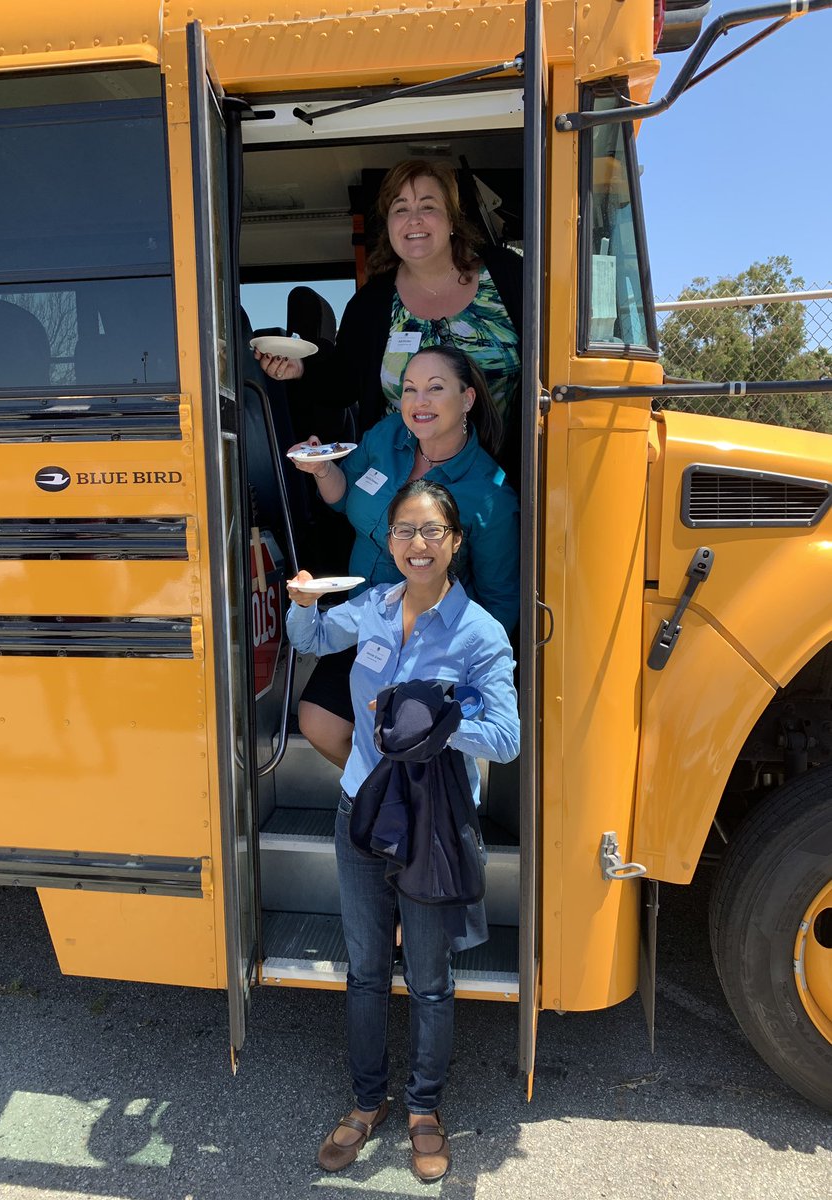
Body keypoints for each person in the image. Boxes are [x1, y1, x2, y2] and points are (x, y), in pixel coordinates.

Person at [286, 479, 521, 1183]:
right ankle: (366, 1104)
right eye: (403, 533)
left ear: (454, 543)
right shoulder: (376, 607)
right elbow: (315, 637)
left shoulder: (479, 631)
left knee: (428, 980)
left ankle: (423, 1109)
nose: (416, 545)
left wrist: (440, 728)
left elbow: (505, 737)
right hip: (359, 808)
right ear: (388, 543)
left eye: (430, 533)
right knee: (363, 971)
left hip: (431, 826)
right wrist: (302, 606)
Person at [289, 344, 519, 768]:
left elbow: (500, 602)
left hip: (432, 637)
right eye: (410, 389)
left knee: (408, 726)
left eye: (435, 388)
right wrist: (323, 470)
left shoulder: (491, 497)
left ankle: (413, 798)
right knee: (319, 722)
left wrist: (456, 663)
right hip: (367, 615)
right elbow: (344, 501)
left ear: (467, 399)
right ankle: (384, 790)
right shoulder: (387, 435)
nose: (419, 402)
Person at [254, 158, 523, 441]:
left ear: (452, 219)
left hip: (505, 476)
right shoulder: (371, 303)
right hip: (401, 478)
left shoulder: (506, 275)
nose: (413, 219)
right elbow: (342, 384)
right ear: (390, 224)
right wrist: (299, 368)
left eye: (428, 206)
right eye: (401, 208)